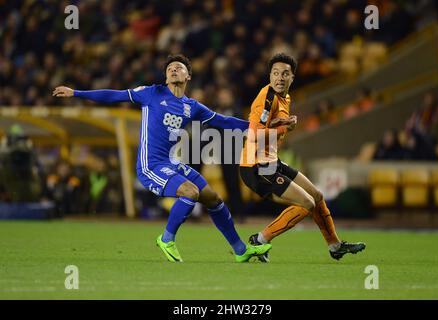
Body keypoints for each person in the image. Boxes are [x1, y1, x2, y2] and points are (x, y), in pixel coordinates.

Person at [53, 54, 271, 263]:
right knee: (190, 192)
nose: (174, 70)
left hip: (171, 163)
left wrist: (261, 127)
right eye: (169, 69)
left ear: (188, 77)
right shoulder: (151, 93)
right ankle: (166, 239)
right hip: (151, 165)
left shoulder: (192, 106)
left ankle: (241, 250)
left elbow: (223, 121)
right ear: (166, 77)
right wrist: (76, 93)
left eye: (179, 68)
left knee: (212, 198)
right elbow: (114, 95)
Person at [239, 53, 365, 262]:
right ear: (269, 76)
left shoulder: (285, 98)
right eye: (276, 73)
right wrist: (284, 128)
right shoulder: (267, 98)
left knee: (316, 196)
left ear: (292, 78)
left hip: (271, 162)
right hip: (256, 166)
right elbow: (252, 135)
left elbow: (265, 126)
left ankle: (335, 245)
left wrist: (282, 123)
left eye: (285, 74)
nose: (280, 78)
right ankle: (260, 239)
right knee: (307, 203)